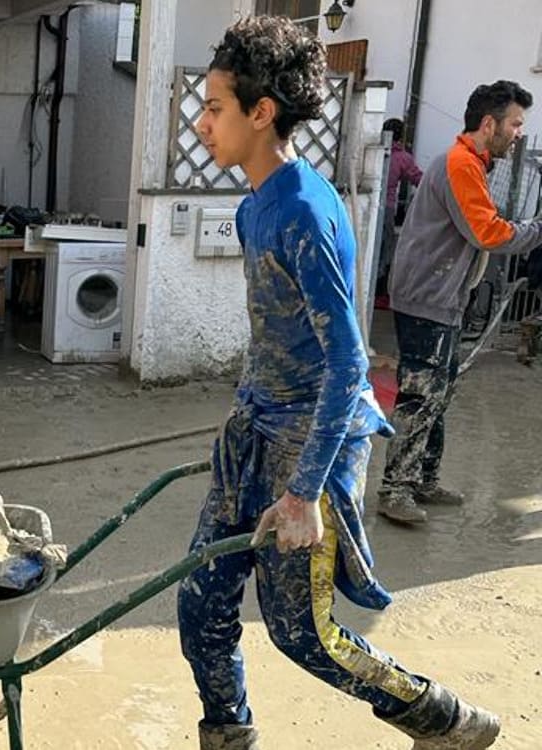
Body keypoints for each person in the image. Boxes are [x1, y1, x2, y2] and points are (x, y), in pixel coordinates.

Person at [178, 17, 499, 749]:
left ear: (261, 114)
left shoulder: (302, 209)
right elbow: (276, 338)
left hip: (311, 443)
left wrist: (303, 493)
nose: (202, 123)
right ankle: (228, 735)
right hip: (257, 427)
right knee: (201, 602)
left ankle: (443, 718)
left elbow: (349, 361)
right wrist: (241, 428)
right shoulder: (255, 202)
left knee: (305, 635)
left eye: (216, 108)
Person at [377, 80, 542, 524]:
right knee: (421, 394)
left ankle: (423, 479)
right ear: (489, 124)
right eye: (515, 123)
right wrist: (537, 229)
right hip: (427, 297)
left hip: (439, 295)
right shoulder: (461, 165)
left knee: (439, 391)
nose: (518, 133)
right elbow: (488, 232)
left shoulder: (471, 163)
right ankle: (395, 489)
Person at [377, 117, 423, 293]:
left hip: (369, 204)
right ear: (402, 136)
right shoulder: (403, 158)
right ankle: (380, 288)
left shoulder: (376, 150)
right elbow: (419, 179)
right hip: (387, 208)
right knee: (385, 248)